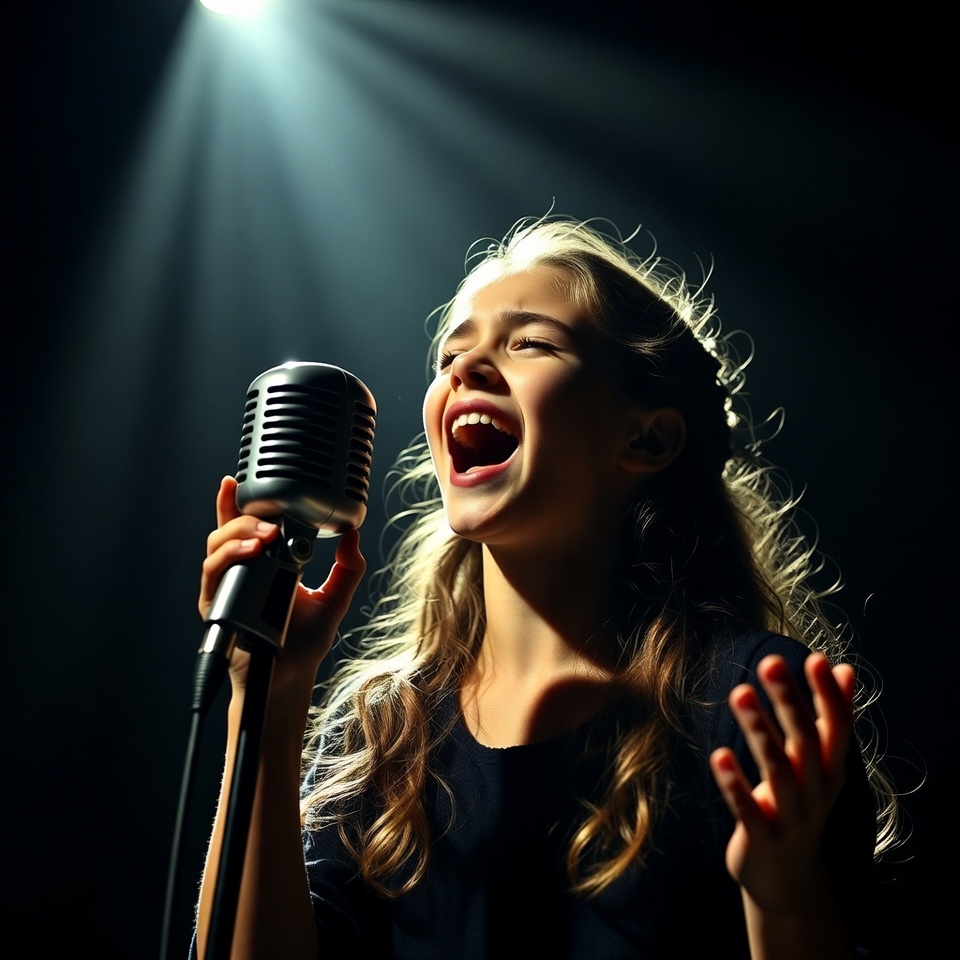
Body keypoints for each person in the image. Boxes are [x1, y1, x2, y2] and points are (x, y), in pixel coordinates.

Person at [194, 217, 898, 959]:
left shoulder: (749, 702)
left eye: (528, 342)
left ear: (647, 438)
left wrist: (785, 902)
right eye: (451, 355)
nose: (467, 369)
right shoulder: (385, 737)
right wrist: (267, 699)